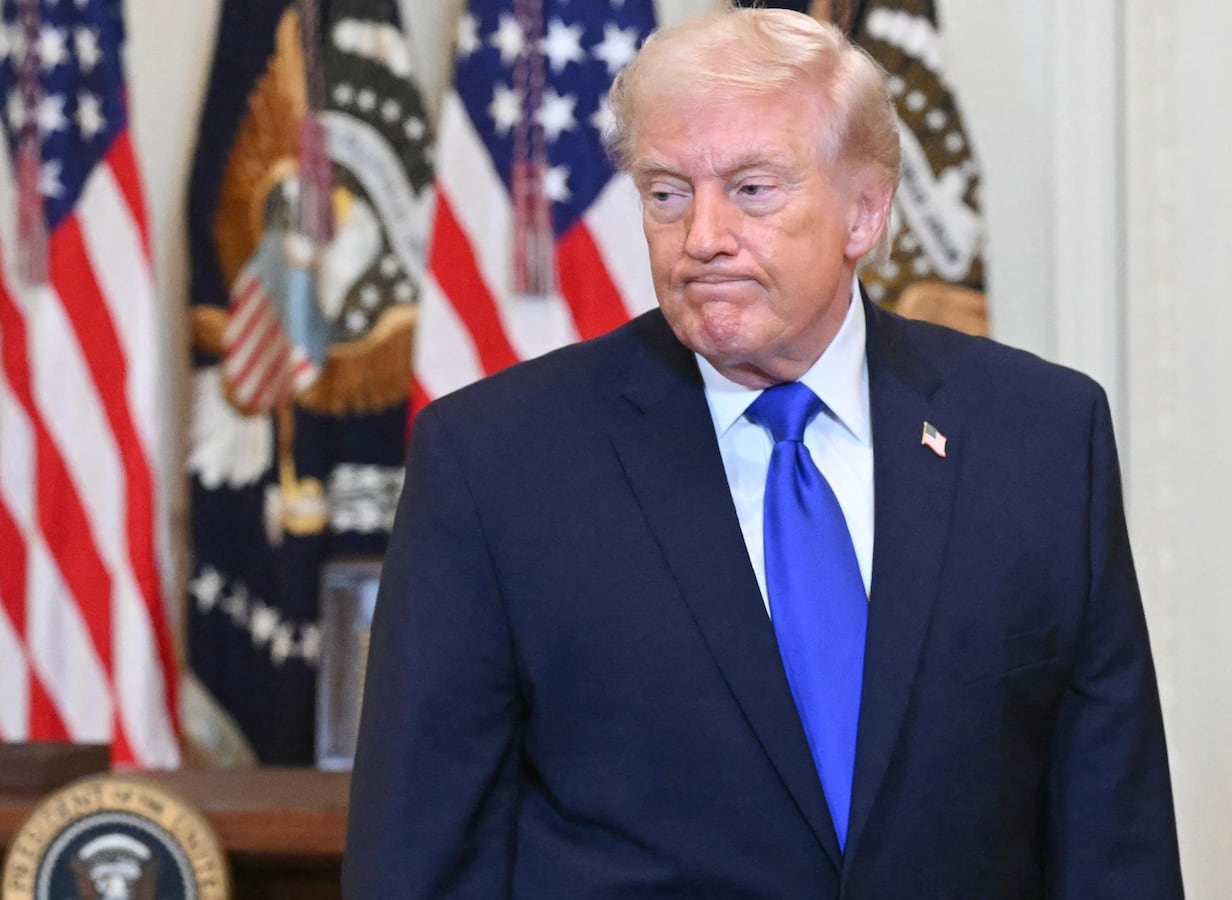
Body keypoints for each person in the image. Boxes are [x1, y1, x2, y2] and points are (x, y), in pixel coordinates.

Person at [343, 8, 1181, 897]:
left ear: (864, 213)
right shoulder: (496, 463)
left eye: (752, 189)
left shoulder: (1041, 436)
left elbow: (1112, 830)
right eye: (668, 193)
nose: (702, 237)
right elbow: (420, 856)